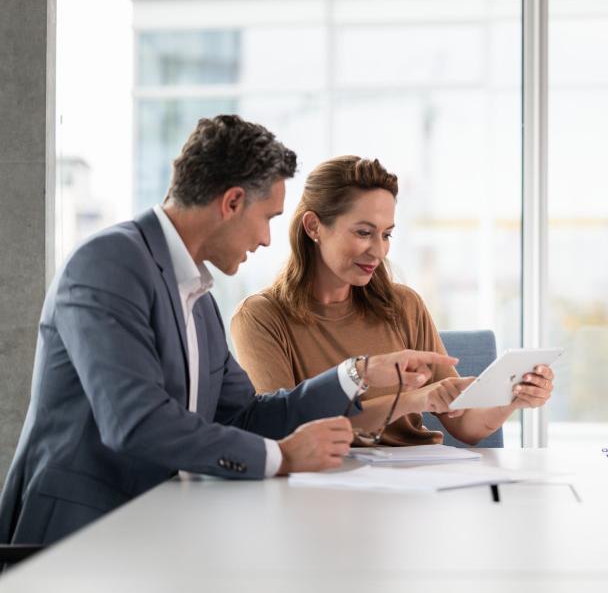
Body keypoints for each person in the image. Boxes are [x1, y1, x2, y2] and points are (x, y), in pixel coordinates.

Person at [0, 115, 449, 545]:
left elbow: (245, 415)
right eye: (269, 217)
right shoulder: (109, 263)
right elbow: (135, 421)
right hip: (79, 535)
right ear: (232, 202)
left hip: (161, 527)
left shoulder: (198, 298)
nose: (269, 239)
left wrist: (358, 374)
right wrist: (283, 456)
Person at [231, 156, 554, 446]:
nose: (378, 251)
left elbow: (466, 427)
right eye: (363, 232)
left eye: (386, 235)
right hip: (324, 487)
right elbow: (283, 430)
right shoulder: (261, 317)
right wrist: (414, 400)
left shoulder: (403, 305)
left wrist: (512, 398)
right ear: (314, 226)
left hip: (414, 488)